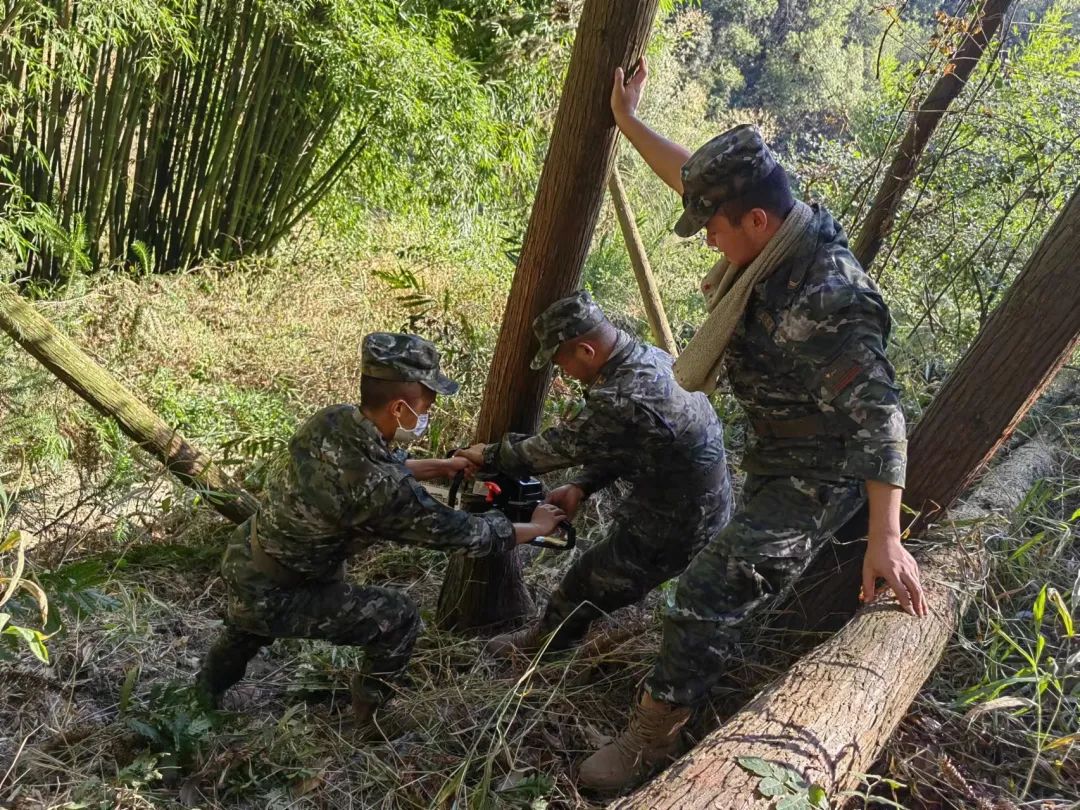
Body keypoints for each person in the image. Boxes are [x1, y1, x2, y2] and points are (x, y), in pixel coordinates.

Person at [565, 57, 927, 793]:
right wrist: (629, 121)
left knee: (703, 591)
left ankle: (650, 739)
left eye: (714, 229)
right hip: (773, 453)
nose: (707, 240)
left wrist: (886, 538)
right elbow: (692, 178)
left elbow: (881, 416)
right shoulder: (773, 233)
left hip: (818, 472)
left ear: (756, 221)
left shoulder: (830, 297)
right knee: (731, 581)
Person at [196, 332, 565, 722]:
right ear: (400, 408)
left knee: (244, 633)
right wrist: (534, 526)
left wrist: (440, 466)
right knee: (398, 617)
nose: (429, 413)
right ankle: (370, 716)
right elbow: (468, 534)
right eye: (428, 405)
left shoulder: (333, 420)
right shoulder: (384, 493)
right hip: (285, 591)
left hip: (248, 559)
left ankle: (202, 695)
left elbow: (374, 467)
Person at [456, 290, 731, 659]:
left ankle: (542, 650)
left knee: (587, 580)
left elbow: (552, 449)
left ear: (586, 350)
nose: (563, 373)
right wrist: (583, 486)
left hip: (680, 521)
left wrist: (489, 454)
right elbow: (630, 442)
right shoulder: (648, 357)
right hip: (704, 502)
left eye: (561, 362)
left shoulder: (622, 396)